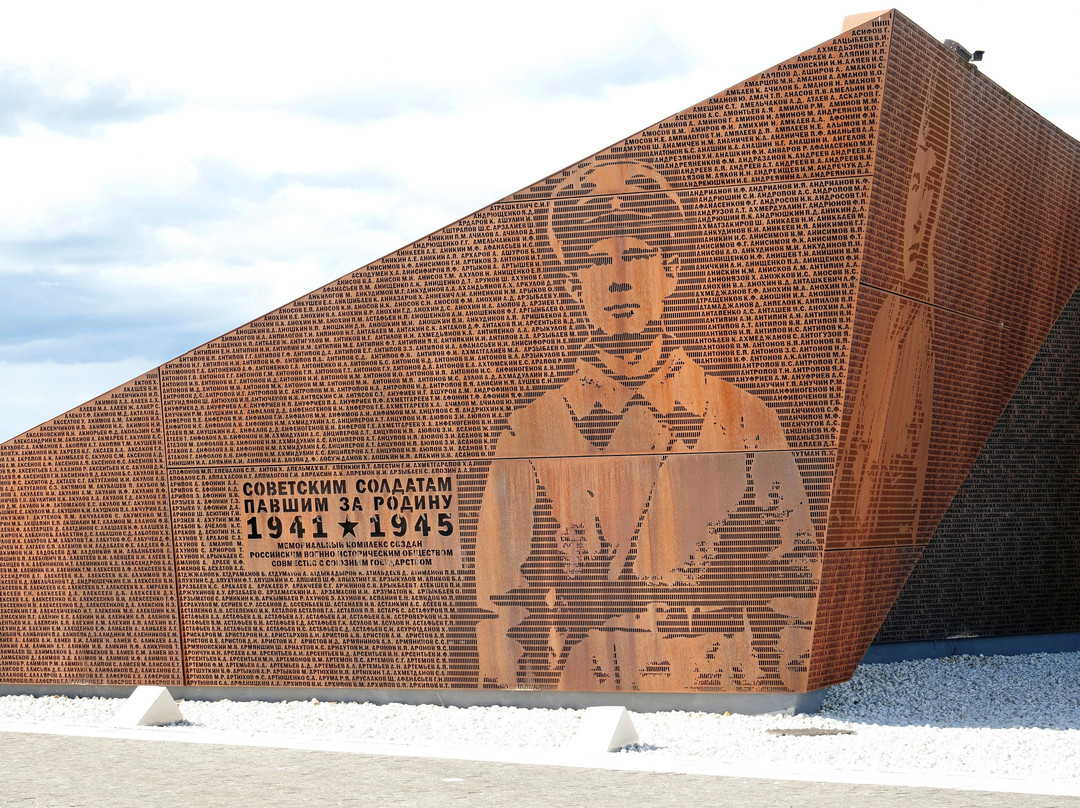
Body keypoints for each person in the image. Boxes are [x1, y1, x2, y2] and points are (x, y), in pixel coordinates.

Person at [474, 159, 820, 692]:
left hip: (718, 682)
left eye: (636, 255)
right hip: (588, 686)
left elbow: (793, 583)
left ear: (672, 269)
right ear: (571, 285)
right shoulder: (531, 430)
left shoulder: (746, 419)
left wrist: (792, 686)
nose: (618, 279)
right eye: (595, 262)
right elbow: (504, 601)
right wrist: (508, 702)